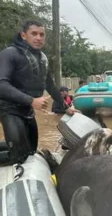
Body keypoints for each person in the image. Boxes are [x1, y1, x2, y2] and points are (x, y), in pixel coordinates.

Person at [0, 20, 79, 166]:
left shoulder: (42, 58)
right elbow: (1, 85)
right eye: (34, 34)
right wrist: (31, 100)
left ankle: (14, 144)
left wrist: (66, 107)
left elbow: (50, 85)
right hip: (8, 109)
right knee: (19, 156)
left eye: (42, 34)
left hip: (27, 110)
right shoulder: (10, 54)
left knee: (30, 150)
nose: (38, 38)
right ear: (24, 35)